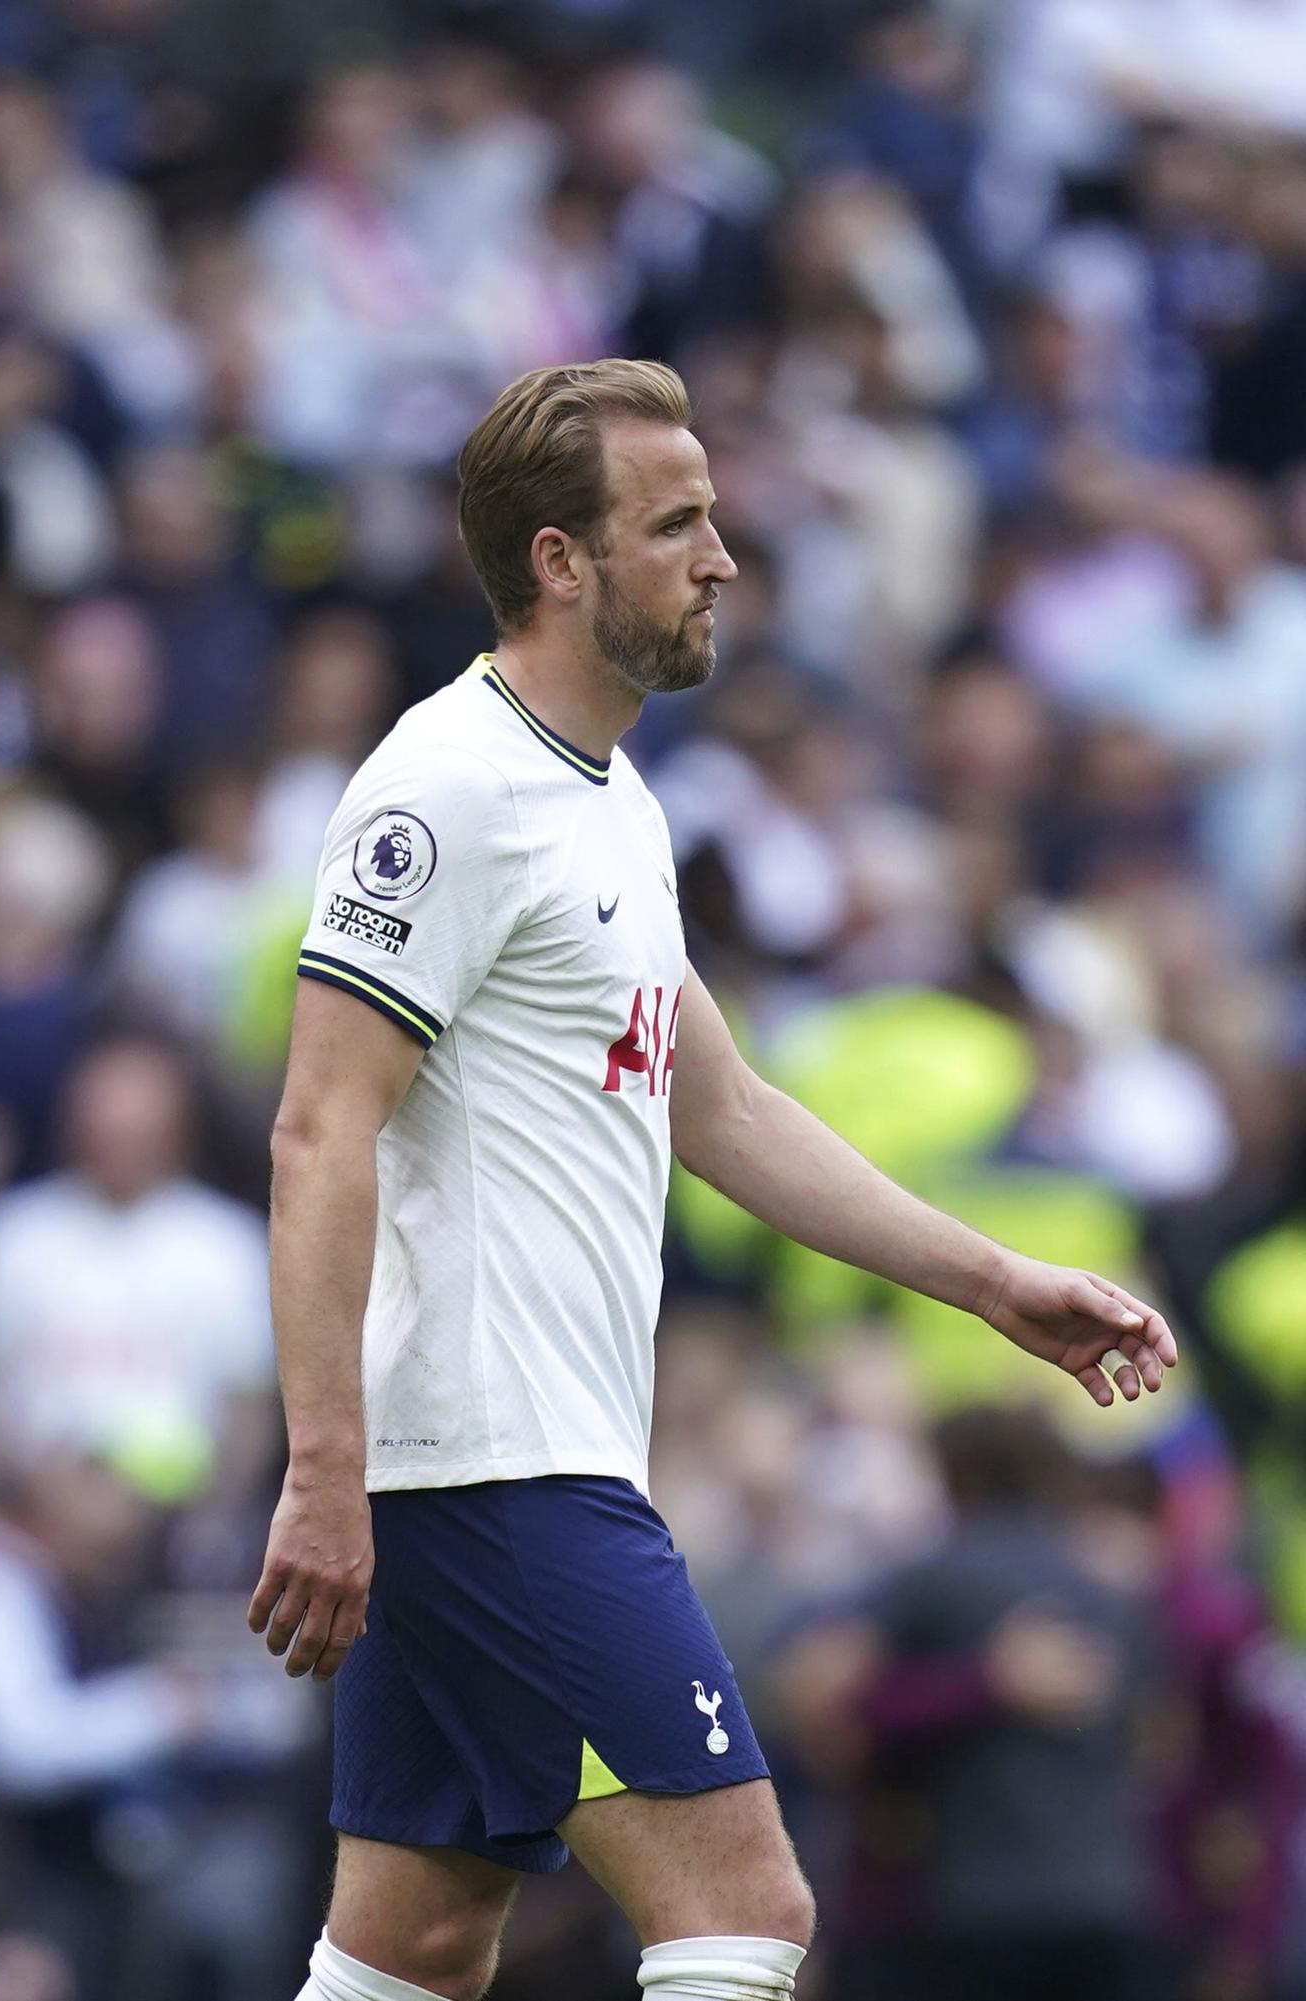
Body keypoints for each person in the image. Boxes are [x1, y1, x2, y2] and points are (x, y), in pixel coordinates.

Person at [245, 359, 1181, 2001]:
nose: (722, 558)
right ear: (559, 559)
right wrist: (324, 1463)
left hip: (496, 1458)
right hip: (497, 1460)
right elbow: (319, 1129)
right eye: (675, 523)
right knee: (742, 1908)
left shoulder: (609, 805)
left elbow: (724, 1105)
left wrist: (993, 1281)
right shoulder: (445, 784)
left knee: (414, 1944)